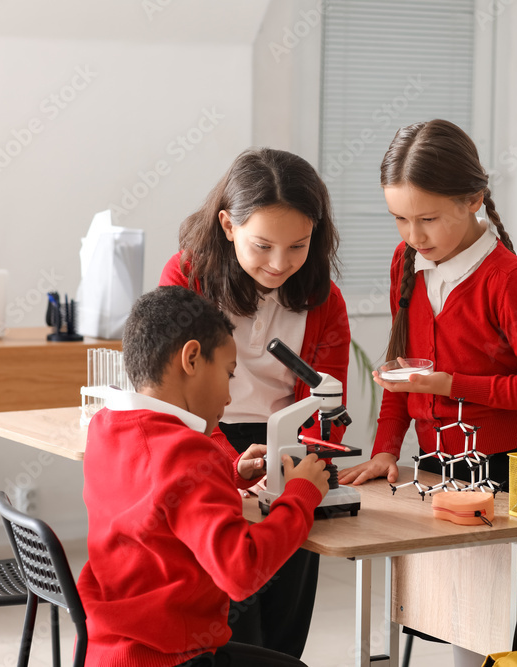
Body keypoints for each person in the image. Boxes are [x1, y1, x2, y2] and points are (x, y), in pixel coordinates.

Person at [337, 119, 517, 665]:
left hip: (507, 472)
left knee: (483, 629)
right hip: (441, 466)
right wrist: (386, 450)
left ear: (474, 201)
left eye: (427, 219)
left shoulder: (508, 280)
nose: (413, 236)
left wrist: (451, 385)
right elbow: (399, 373)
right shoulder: (407, 264)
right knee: (441, 613)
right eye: (399, 219)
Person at [159, 147, 349, 657]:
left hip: (285, 448)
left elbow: (326, 407)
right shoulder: (187, 278)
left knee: (284, 630)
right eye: (263, 245)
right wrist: (229, 464)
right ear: (227, 225)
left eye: (298, 246)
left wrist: (299, 462)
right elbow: (171, 396)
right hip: (203, 445)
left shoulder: (324, 301)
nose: (280, 263)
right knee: (228, 623)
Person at [77, 286, 330, 667]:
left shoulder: (103, 428)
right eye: (229, 374)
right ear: (192, 358)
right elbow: (242, 571)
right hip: (173, 657)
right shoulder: (189, 451)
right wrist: (300, 494)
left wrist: (230, 474)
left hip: (108, 652)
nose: (229, 398)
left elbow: (157, 498)